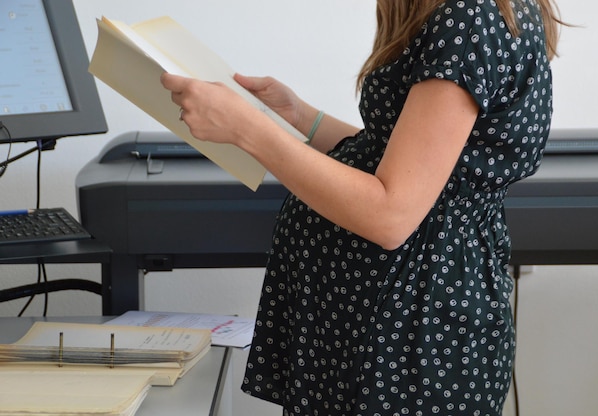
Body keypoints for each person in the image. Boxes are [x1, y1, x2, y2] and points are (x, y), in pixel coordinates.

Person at [161, 0, 563, 414]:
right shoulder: (473, 13)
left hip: (410, 340)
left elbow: (392, 215)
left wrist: (248, 130)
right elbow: (409, 158)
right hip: (382, 330)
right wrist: (300, 117)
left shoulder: (469, 17)